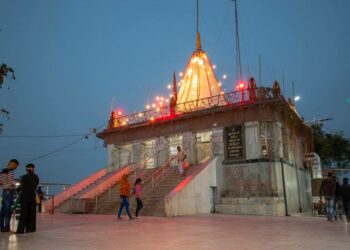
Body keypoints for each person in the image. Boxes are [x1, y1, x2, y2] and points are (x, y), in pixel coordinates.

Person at [16, 163, 39, 234]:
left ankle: (21, 230)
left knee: (23, 214)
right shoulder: (36, 177)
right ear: (33, 169)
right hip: (32, 197)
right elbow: (35, 186)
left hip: (24, 197)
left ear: (26, 169)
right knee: (32, 214)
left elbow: (20, 187)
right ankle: (31, 229)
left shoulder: (23, 177)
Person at [0, 159, 19, 232]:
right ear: (13, 164)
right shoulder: (10, 171)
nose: (15, 168)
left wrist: (5, 184)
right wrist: (15, 186)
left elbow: (1, 183)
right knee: (8, 211)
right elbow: (11, 183)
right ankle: (7, 227)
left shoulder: (2, 171)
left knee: (3, 210)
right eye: (16, 166)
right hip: (9, 192)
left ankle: (2, 227)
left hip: (4, 192)